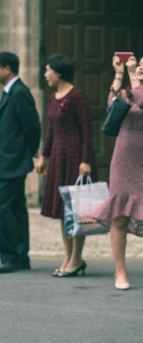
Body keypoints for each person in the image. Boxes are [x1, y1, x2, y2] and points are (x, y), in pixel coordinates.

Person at [35, 54, 96, 277]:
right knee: (63, 212)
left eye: (48, 70)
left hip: (76, 159)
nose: (45, 74)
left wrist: (86, 160)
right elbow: (50, 131)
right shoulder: (52, 98)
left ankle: (76, 259)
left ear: (59, 72)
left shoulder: (77, 96)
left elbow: (87, 131)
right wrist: (44, 157)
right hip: (59, 159)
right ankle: (67, 257)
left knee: (77, 212)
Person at [90, 55, 143, 290]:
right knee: (119, 216)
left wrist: (132, 76)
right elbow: (112, 107)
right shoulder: (126, 92)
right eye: (139, 63)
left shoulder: (138, 92)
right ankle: (120, 272)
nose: (140, 66)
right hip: (123, 160)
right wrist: (119, 74)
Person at [0, 52, 42, 274]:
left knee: (0, 207)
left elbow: (33, 127)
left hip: (12, 164)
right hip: (8, 162)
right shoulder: (9, 92)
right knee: (17, 208)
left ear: (7, 69)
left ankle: (10, 256)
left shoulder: (20, 92)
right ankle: (21, 256)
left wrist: (26, 154)